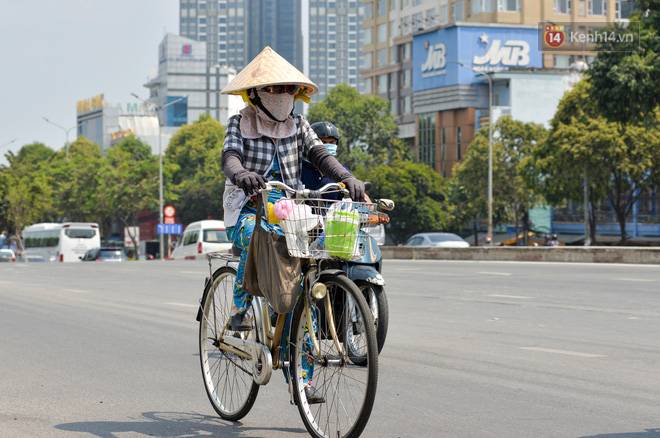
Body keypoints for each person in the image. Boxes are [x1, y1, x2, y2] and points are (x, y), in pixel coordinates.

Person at [220, 47, 365, 403]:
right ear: (255, 94)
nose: (284, 96)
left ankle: (302, 381)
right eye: (276, 89)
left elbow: (320, 156)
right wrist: (241, 174)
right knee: (256, 234)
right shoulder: (241, 122)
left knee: (307, 290)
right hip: (247, 206)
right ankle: (240, 310)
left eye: (289, 90)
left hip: (291, 208)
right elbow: (230, 157)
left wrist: (348, 179)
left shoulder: (299, 126)